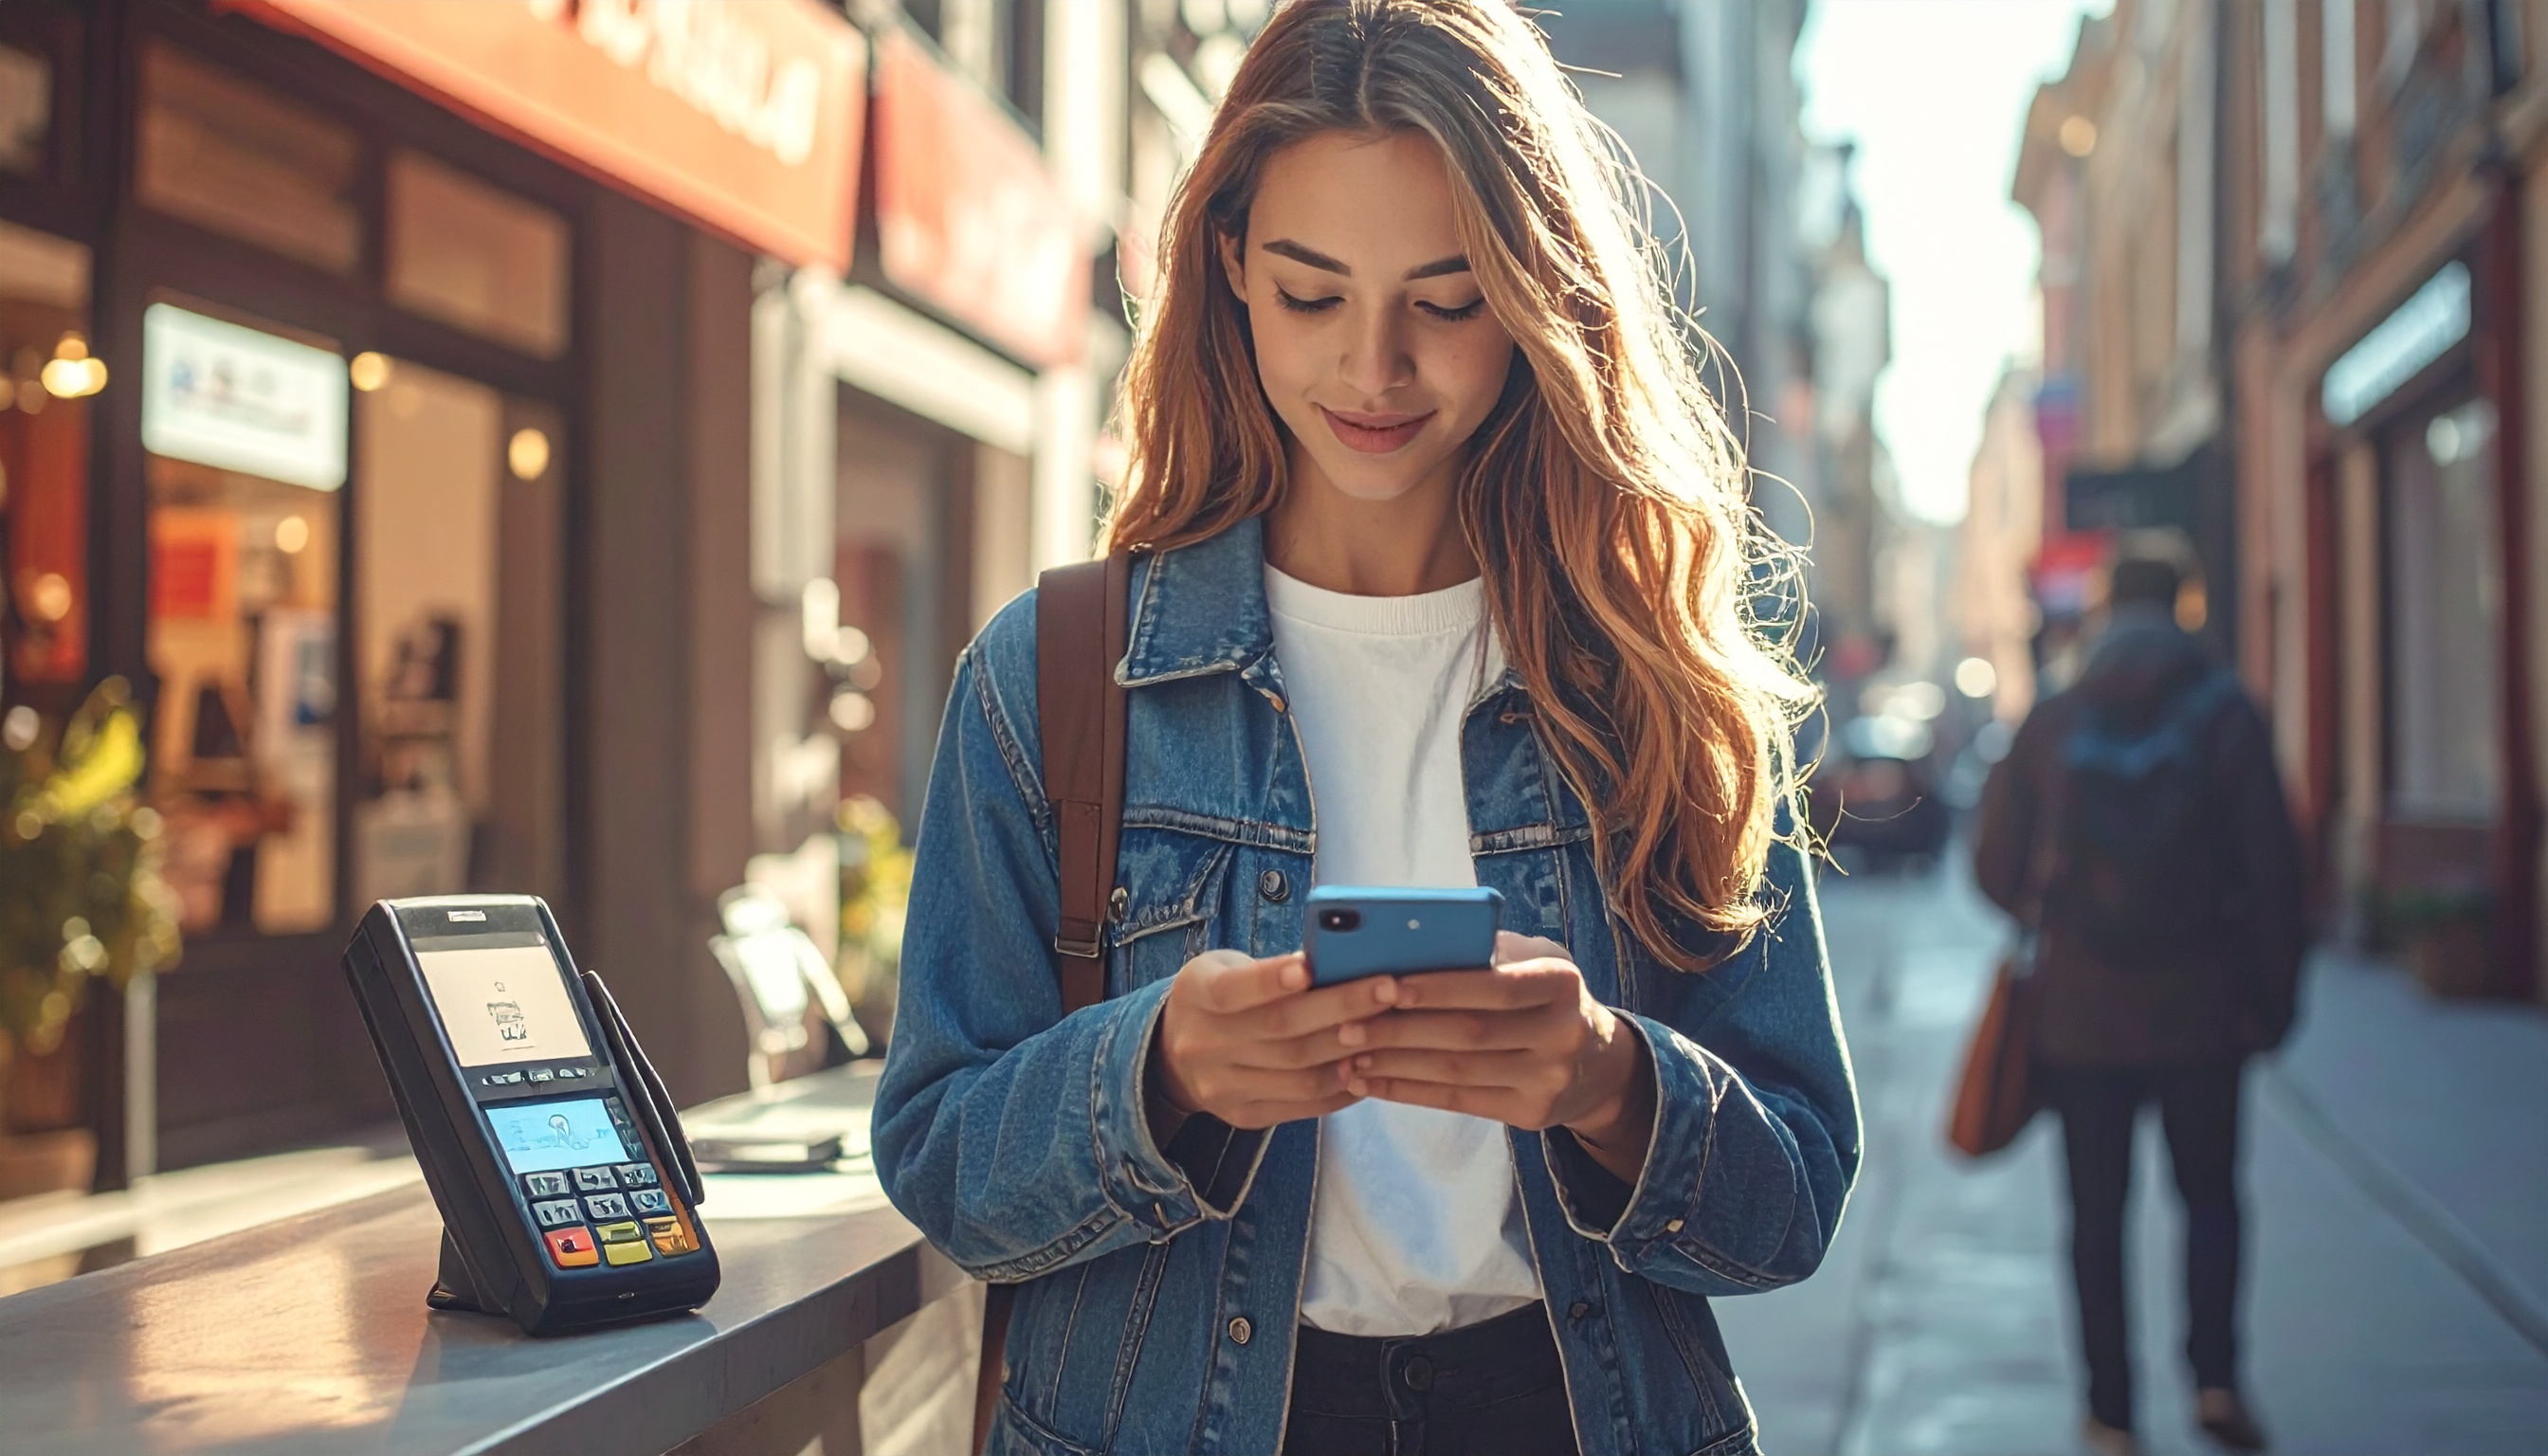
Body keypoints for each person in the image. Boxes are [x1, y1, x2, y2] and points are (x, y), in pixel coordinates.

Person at [870, 5, 1860, 1453]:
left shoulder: (1657, 678)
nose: (1374, 370)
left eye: (1446, 302)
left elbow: (1796, 1197)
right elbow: (940, 1158)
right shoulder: (1056, 675)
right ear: (1230, 268)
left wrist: (1610, 1082)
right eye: (1311, 294)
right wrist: (1159, 1072)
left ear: (1533, 293)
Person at [1974, 555, 2304, 1456]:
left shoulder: (2053, 717)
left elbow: (1992, 865)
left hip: (2082, 1014)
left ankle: (2111, 1413)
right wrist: (2271, 1002)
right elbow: (2276, 872)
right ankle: (2216, 1381)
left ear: (2104, 610)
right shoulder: (2226, 711)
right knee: (2211, 1198)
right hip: (2204, 1008)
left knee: (2096, 1217)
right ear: (2183, 608)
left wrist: (2052, 917)